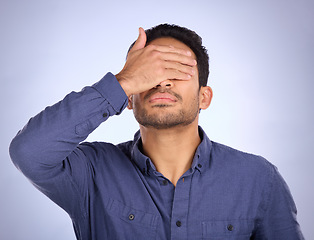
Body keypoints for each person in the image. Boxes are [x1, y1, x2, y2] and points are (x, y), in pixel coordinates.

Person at [9, 24, 304, 240]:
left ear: (204, 97)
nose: (162, 83)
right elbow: (29, 151)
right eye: (150, 73)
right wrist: (123, 80)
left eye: (177, 71)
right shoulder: (92, 173)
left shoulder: (258, 178)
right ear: (129, 98)